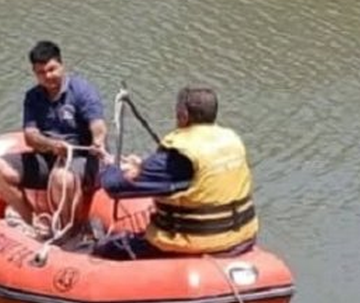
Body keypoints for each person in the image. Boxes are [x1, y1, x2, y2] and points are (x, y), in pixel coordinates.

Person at [96, 86, 258, 260]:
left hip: (196, 243)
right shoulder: (231, 141)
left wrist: (109, 167)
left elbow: (115, 186)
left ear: (183, 115)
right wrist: (142, 166)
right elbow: (200, 179)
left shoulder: (180, 154)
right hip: (241, 239)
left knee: (105, 250)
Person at [0, 40, 109, 238]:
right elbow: (31, 136)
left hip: (81, 159)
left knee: (62, 177)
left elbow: (97, 124)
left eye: (52, 70)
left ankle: (69, 232)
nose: (48, 77)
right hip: (48, 156)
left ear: (62, 65)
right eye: (41, 73)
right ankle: (33, 223)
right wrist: (51, 145)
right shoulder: (33, 97)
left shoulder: (82, 91)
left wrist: (98, 141)